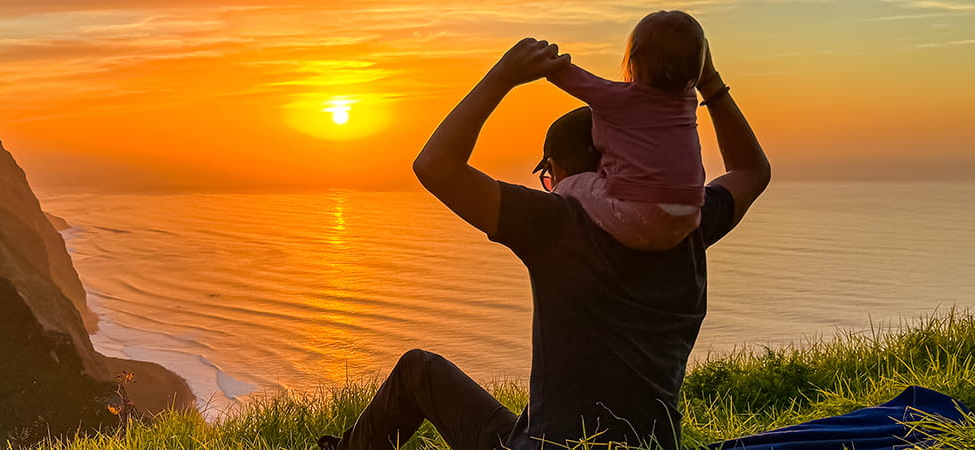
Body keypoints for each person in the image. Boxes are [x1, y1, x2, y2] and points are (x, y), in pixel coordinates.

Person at [317, 35, 771, 450]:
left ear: (556, 167)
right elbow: (752, 171)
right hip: (649, 445)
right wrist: (707, 80)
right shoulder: (687, 222)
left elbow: (435, 165)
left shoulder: (556, 221)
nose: (548, 185)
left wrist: (504, 75)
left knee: (419, 371)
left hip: (553, 448)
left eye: (547, 176)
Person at [547, 10, 711, 252]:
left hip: (638, 217)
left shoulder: (619, 100)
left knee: (573, 184)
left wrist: (545, 57)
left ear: (633, 60)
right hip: (689, 216)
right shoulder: (687, 102)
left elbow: (570, 77)